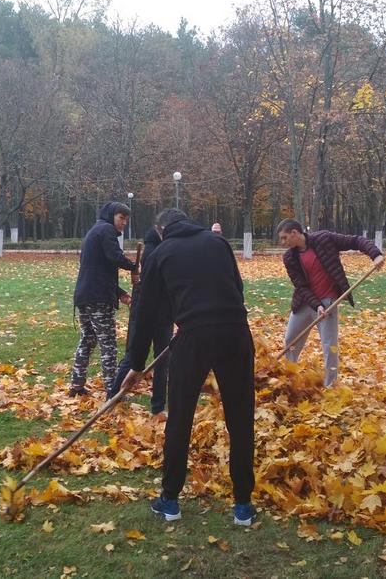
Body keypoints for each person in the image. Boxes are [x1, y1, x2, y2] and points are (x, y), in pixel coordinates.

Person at [119, 209, 256, 526]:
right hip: (236, 332)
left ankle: (169, 501)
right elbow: (237, 288)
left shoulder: (160, 252)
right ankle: (243, 506)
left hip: (194, 338)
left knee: (179, 418)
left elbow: (146, 313)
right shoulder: (218, 243)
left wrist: (137, 364)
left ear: (160, 229)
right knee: (240, 417)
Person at [276, 219, 384, 387]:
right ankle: (290, 381)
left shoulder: (324, 239)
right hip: (305, 302)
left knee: (329, 346)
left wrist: (375, 254)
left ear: (294, 233)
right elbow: (301, 285)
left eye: (284, 238)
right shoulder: (289, 257)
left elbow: (355, 241)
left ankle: (330, 386)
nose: (283, 242)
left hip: (329, 302)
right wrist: (316, 305)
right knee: (290, 341)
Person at [70, 202, 138, 398]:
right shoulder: (106, 230)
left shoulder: (95, 231)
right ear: (111, 216)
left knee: (88, 340)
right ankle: (113, 390)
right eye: (121, 218)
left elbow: (99, 273)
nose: (124, 223)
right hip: (98, 298)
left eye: (126, 219)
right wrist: (135, 267)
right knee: (108, 343)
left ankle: (76, 384)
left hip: (85, 296)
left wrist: (121, 294)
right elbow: (115, 256)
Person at [110, 223, 173, 416]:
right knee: (136, 357)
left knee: (160, 358)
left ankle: (156, 407)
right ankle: (113, 397)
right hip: (148, 310)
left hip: (161, 312)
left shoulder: (159, 250)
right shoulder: (154, 252)